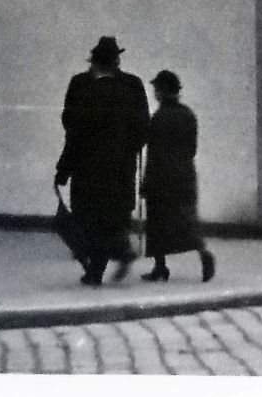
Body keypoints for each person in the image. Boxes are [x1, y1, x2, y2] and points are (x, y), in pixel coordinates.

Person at [54, 35, 149, 286]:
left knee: (88, 217)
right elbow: (142, 127)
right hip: (120, 168)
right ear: (117, 61)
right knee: (113, 216)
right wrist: (127, 151)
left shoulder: (80, 86)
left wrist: (63, 168)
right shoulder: (133, 85)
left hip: (87, 167)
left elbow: (71, 127)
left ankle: (97, 269)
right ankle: (113, 257)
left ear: (94, 62)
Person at [140, 68, 216, 283]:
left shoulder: (158, 118)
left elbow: (153, 154)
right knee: (187, 220)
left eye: (156, 89)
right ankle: (202, 252)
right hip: (184, 176)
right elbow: (192, 149)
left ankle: (160, 267)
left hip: (161, 178)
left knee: (156, 223)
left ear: (162, 91)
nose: (155, 92)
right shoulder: (188, 114)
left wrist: (146, 183)